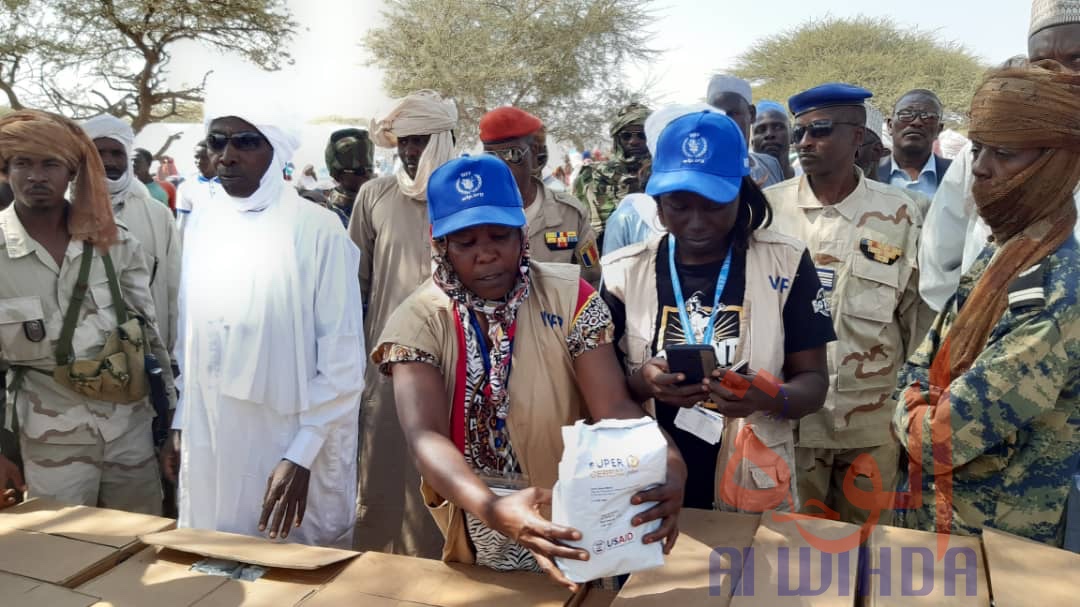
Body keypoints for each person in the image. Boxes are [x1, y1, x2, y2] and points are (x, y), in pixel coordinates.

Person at [373, 153, 685, 589]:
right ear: (439, 245)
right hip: (482, 510)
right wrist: (493, 509)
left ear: (522, 234)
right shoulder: (419, 321)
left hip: (578, 502)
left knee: (584, 591)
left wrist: (665, 457)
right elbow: (424, 435)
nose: (486, 255)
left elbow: (613, 405)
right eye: (464, 243)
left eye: (500, 235)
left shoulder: (568, 296)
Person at [603, 109, 834, 513]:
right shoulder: (623, 273)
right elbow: (602, 390)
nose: (696, 222)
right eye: (679, 205)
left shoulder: (787, 262)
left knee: (752, 576)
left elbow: (813, 384)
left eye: (713, 205)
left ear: (742, 195)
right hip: (651, 483)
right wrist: (646, 383)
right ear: (657, 204)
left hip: (752, 486)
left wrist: (771, 397)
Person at [162, 101, 365, 548]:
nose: (227, 155)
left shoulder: (316, 229)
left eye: (246, 142)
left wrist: (303, 452)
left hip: (290, 444)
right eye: (218, 142)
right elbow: (189, 339)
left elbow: (343, 359)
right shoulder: (204, 225)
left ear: (275, 152)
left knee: (293, 574)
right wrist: (182, 421)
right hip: (213, 435)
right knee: (215, 563)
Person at [894, 60, 1080, 546]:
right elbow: (918, 362)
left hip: (994, 549)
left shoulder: (1058, 295)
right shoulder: (1002, 255)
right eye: (978, 149)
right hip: (937, 527)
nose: (979, 167)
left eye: (1004, 153)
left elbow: (935, 441)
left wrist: (912, 406)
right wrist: (918, 397)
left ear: (1054, 163)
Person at [764, 84, 932, 525]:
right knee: (796, 557)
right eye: (799, 132)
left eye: (819, 130)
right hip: (790, 422)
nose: (804, 142)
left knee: (867, 555)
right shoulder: (768, 211)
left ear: (858, 137)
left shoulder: (905, 213)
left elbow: (918, 319)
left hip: (871, 426)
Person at [0, 109, 174, 514]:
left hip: (130, 434)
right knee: (58, 553)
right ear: (7, 169)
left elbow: (150, 339)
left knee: (139, 545)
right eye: (23, 162)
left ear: (71, 172)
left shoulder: (116, 244)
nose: (37, 175)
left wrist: (169, 427)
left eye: (50, 164)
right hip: (50, 441)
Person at [349, 90, 458, 557]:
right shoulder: (375, 195)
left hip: (454, 367)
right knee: (377, 485)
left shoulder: (466, 192)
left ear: (444, 138)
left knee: (437, 488)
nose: (410, 152)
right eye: (403, 143)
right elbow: (354, 285)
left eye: (420, 141)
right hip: (386, 367)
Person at [919, 0, 1080, 313]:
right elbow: (939, 260)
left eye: (1077, 59)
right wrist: (974, 326)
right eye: (1042, 61)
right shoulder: (982, 153)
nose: (1058, 75)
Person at [82, 115, 182, 358]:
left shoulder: (158, 215)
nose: (109, 161)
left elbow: (173, 286)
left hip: (145, 349)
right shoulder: (62, 212)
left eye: (117, 153)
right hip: (84, 353)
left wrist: (170, 350)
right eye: (99, 153)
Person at [479, 107, 601, 284]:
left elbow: (591, 279)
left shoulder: (569, 214)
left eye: (512, 154)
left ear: (534, 152)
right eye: (491, 156)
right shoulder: (474, 217)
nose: (501, 166)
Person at [573, 103, 652, 241]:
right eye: (626, 136)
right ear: (617, 139)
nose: (634, 141)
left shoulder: (666, 174)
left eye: (642, 135)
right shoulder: (593, 176)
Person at [706, 75, 786, 188]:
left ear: (752, 114)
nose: (724, 121)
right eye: (716, 115)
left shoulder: (770, 165)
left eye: (732, 113)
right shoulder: (703, 174)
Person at [877, 89, 951, 198]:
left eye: (929, 116)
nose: (916, 122)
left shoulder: (958, 174)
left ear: (939, 129)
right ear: (890, 125)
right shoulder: (866, 173)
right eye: (906, 114)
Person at [319, 128, 374, 228]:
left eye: (370, 169)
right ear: (338, 175)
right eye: (359, 171)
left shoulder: (375, 203)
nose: (368, 175)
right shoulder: (333, 218)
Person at [175, 141, 219, 241]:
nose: (199, 161)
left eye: (204, 157)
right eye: (196, 157)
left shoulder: (231, 184)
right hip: (197, 244)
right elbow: (182, 223)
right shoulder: (186, 186)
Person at [751, 100, 796, 180]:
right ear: (752, 143)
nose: (769, 134)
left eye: (778, 127)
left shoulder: (809, 179)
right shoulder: (745, 188)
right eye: (761, 129)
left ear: (792, 135)